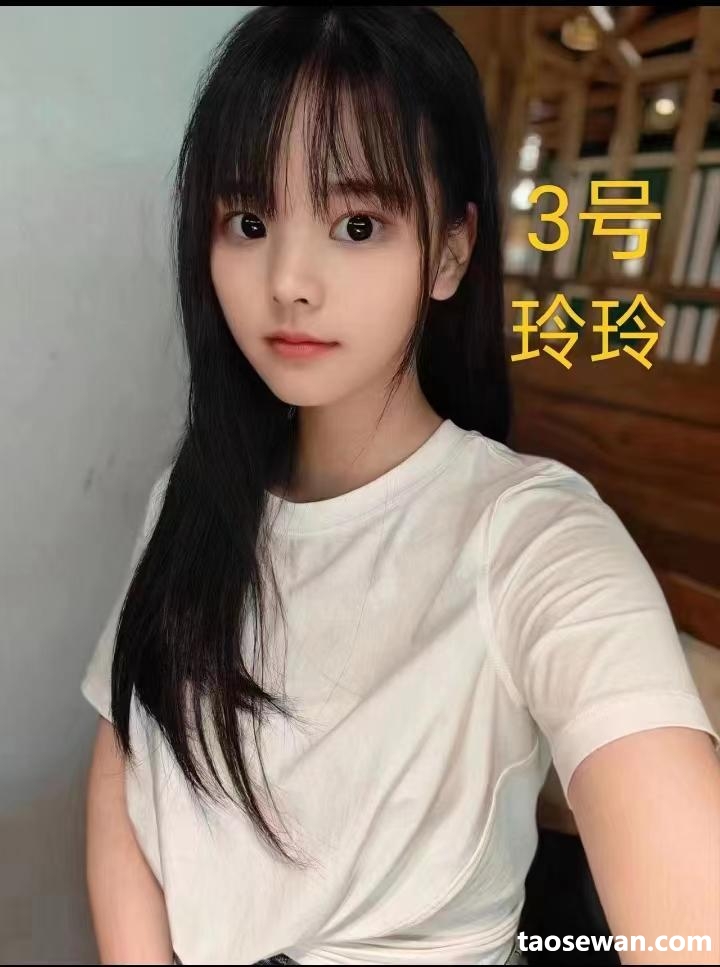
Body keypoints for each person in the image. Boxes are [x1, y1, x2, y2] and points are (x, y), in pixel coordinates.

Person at [81, 7, 720, 966]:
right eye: (249, 222)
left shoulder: (533, 536)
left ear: (452, 252)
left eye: (357, 224)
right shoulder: (194, 495)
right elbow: (126, 754)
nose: (289, 280)